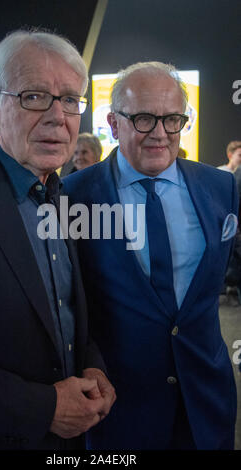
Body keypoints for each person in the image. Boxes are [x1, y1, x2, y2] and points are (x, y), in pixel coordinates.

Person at [0, 28, 115, 450]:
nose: (58, 117)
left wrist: (92, 367)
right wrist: (42, 407)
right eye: (34, 96)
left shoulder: (61, 194)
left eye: (71, 100)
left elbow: (66, 311)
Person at [63, 61, 238, 450]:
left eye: (173, 119)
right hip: (118, 411)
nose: (160, 133)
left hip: (206, 404)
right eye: (143, 118)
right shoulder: (71, 196)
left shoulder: (221, 187)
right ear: (113, 122)